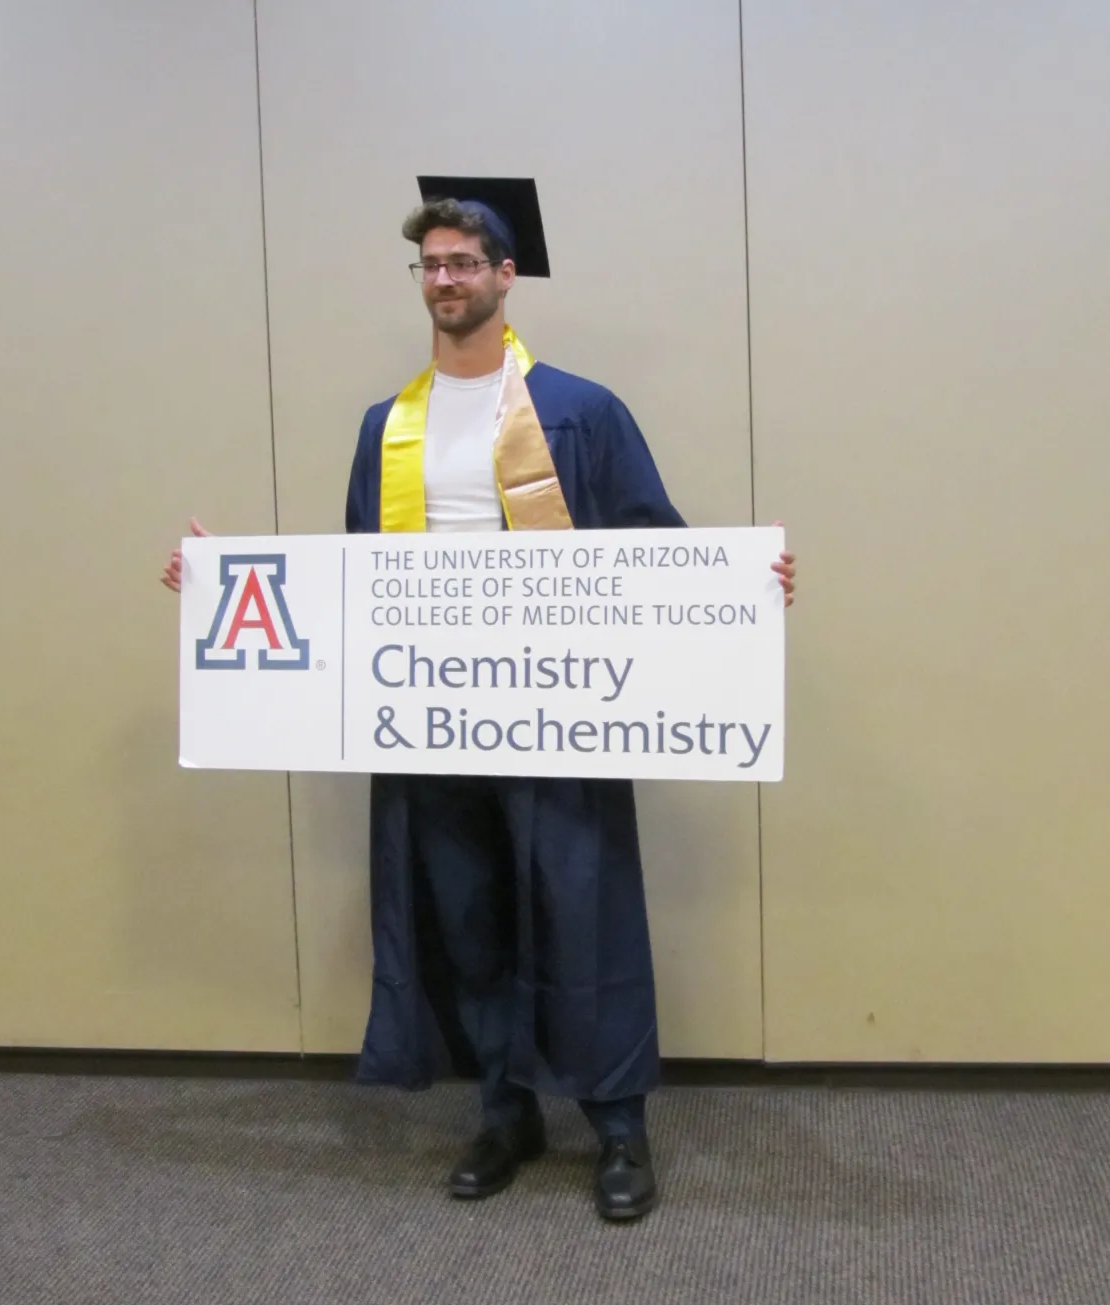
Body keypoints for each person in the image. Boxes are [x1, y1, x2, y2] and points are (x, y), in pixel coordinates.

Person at [162, 177, 797, 1222]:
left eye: (465, 262)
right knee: (469, 921)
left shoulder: (581, 413)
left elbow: (656, 547)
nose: (446, 279)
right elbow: (355, 581)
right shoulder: (387, 426)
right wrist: (220, 590)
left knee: (582, 915)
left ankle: (620, 1129)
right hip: (435, 724)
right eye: (432, 264)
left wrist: (747, 589)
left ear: (506, 278)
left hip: (560, 713)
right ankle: (506, 1114)